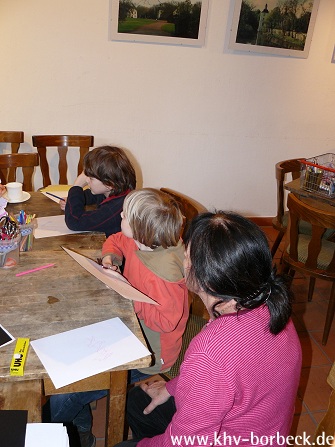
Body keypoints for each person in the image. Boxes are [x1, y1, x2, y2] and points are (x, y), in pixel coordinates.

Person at [114, 211, 302, 447]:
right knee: (137, 400)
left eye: (186, 256)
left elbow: (186, 442)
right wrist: (174, 388)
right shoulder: (272, 305)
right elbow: (229, 379)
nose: (182, 261)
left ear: (206, 279)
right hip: (262, 431)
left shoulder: (211, 350)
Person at [46, 188, 189, 447]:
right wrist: (112, 257)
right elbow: (116, 240)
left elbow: (167, 322)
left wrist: (132, 296)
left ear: (141, 228)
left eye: (126, 214)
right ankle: (80, 429)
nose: (120, 213)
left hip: (151, 355)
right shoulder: (141, 241)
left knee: (66, 393)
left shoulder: (164, 273)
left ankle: (56, 431)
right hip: (130, 328)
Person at [60, 145, 136, 237]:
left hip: (115, 250)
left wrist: (77, 186)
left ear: (109, 184)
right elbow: (91, 196)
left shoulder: (112, 210)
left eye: (91, 178)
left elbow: (75, 222)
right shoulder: (118, 191)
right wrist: (72, 200)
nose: (86, 180)